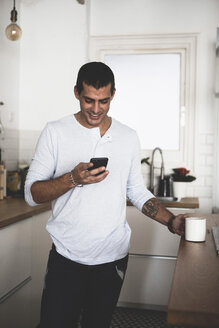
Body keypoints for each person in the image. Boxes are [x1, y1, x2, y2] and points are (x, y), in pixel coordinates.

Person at [25, 61, 186, 328]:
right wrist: (73, 178)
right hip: (67, 257)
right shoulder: (55, 131)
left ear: (113, 95)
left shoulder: (128, 136)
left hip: (112, 258)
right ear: (76, 92)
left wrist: (171, 221)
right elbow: (32, 193)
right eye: (89, 100)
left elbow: (135, 190)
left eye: (104, 101)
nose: (96, 109)